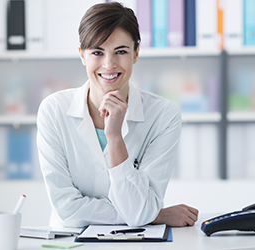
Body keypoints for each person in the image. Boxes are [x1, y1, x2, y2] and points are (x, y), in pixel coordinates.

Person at [36, 2, 198, 228]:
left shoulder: (163, 116)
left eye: (121, 51)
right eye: (97, 52)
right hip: (71, 241)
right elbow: (67, 210)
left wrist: (114, 137)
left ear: (136, 53)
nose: (109, 64)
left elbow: (140, 212)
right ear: (82, 55)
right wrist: (153, 214)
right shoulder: (53, 110)